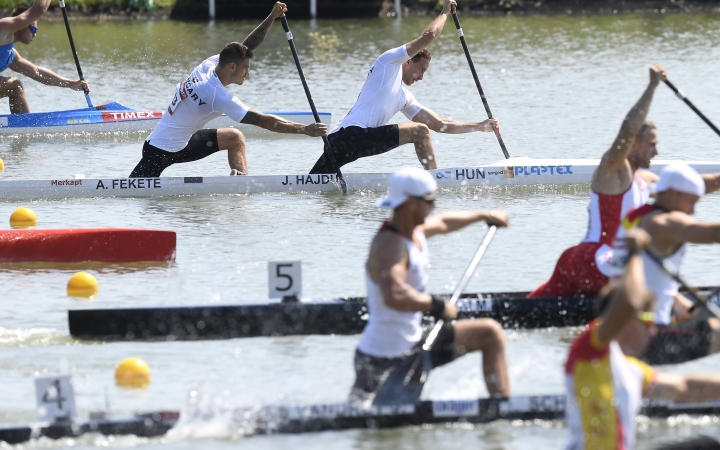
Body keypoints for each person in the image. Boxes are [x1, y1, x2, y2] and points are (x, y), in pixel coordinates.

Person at [350, 166, 510, 402]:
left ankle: (503, 407)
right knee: (382, 431)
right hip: (384, 357)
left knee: (490, 333)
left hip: (415, 341)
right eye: (430, 200)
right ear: (411, 203)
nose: (434, 205)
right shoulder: (389, 245)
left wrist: (485, 215)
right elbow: (394, 294)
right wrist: (437, 306)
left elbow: (444, 222)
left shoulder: (415, 232)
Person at [129, 2, 327, 178]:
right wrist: (305, 129)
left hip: (179, 142)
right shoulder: (217, 95)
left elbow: (245, 47)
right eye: (246, 68)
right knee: (131, 192)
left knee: (234, 138)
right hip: (159, 151)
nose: (248, 73)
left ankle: (240, 185)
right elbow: (264, 121)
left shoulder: (210, 64)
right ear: (232, 66)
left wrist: (271, 17)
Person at [565, 228, 720, 450]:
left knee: (707, 446)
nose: (653, 330)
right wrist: (636, 253)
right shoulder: (588, 352)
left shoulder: (632, 371)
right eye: (647, 320)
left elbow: (683, 387)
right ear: (623, 320)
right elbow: (629, 302)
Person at [309, 0, 499, 175]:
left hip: (340, 143)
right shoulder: (388, 63)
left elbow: (440, 124)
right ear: (408, 61)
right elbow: (430, 35)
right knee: (420, 131)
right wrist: (444, 12)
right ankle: (433, 182)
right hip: (349, 136)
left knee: (311, 184)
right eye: (421, 69)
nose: (421, 77)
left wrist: (480, 126)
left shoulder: (403, 97)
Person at [528, 65, 665, 299]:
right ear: (633, 146)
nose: (657, 152)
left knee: (531, 308)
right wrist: (652, 87)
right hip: (598, 261)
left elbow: (693, 185)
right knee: (651, 278)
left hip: (576, 259)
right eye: (651, 145)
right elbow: (627, 129)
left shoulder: (643, 179)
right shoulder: (612, 170)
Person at [614, 163, 720, 365]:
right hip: (650, 337)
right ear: (672, 194)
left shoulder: (634, 216)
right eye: (691, 203)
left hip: (618, 331)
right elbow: (714, 233)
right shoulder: (663, 223)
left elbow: (646, 272)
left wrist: (677, 301)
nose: (693, 211)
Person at [0, 1, 90, 114]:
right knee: (15, 86)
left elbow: (37, 72)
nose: (35, 35)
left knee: (16, 88)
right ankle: (27, 127)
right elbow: (39, 9)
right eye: (33, 29)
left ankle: (23, 127)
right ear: (22, 26)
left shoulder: (10, 55)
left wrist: (71, 83)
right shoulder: (2, 29)